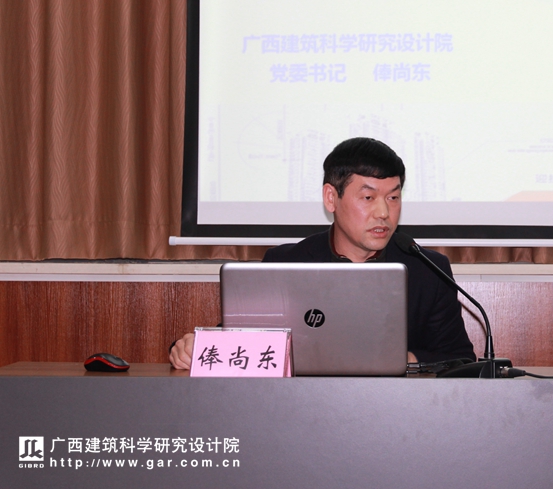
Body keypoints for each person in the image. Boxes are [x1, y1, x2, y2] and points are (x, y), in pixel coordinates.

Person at [169, 137, 475, 369]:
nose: (384, 212)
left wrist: (403, 360)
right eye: (368, 197)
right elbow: (241, 341)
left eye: (393, 198)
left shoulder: (427, 269)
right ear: (331, 197)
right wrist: (191, 347)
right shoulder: (285, 264)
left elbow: (460, 359)